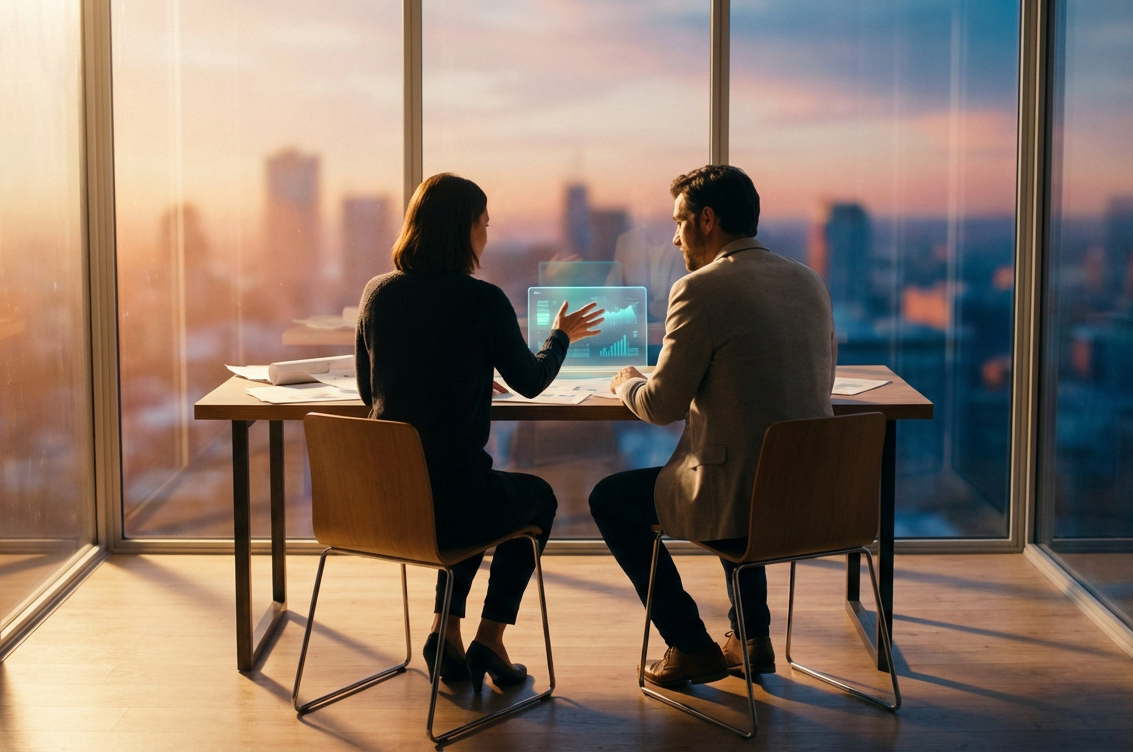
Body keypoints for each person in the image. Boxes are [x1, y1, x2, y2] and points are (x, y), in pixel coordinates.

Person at [588, 164, 836, 686]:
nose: (674, 237)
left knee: (612, 499)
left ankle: (689, 645)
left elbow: (660, 405)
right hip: (811, 494)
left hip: (742, 496)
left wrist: (625, 382)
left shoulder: (700, 289)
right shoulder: (808, 280)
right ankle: (751, 638)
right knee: (735, 461)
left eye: (679, 222)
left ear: (706, 220)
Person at [355, 173, 603, 693]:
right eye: (483, 225)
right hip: (453, 505)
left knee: (469, 491)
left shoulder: (377, 294)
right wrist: (561, 336)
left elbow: (369, 391)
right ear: (463, 230)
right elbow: (531, 383)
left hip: (389, 504)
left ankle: (444, 631)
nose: (487, 237)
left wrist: (459, 373)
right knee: (533, 502)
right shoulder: (483, 300)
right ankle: (489, 638)